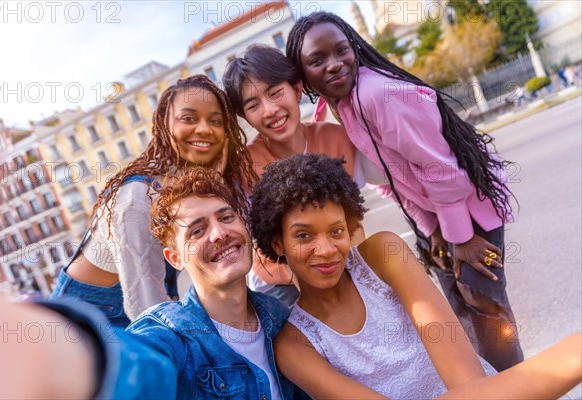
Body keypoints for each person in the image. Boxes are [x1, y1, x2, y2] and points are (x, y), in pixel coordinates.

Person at [286, 11, 523, 371]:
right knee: (458, 309)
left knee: (486, 306)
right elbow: (394, 177)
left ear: (355, 47)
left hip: (470, 211)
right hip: (438, 218)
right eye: (317, 60)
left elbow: (440, 171)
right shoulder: (340, 104)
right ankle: (485, 385)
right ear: (303, 74)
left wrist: (460, 236)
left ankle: (521, 385)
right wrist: (432, 231)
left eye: (341, 50)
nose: (334, 65)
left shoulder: (378, 94)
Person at [249, 153, 582, 399]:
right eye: (304, 236)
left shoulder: (382, 255)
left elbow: (467, 378)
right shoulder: (294, 344)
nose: (326, 249)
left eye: (336, 231)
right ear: (278, 242)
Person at [0, 168, 297, 399]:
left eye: (226, 217)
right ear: (174, 259)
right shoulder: (168, 336)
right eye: (197, 231)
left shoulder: (279, 317)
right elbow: (136, 368)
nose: (219, 233)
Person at [51, 75, 257, 326]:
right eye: (189, 118)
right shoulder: (136, 197)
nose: (204, 129)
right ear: (164, 124)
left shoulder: (189, 184)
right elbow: (144, 307)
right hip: (87, 323)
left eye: (216, 121)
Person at [222, 45, 359, 306]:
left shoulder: (336, 139)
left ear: (296, 89)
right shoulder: (245, 167)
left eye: (275, 93)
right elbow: (264, 249)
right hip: (279, 281)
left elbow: (355, 220)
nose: (270, 110)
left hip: (338, 262)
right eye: (253, 105)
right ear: (245, 117)